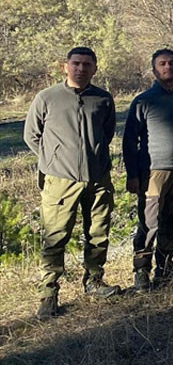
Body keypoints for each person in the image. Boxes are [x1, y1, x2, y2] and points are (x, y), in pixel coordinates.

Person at [25, 47, 122, 319]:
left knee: (98, 232)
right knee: (55, 236)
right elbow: (32, 136)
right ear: (65, 66)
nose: (80, 68)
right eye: (76, 63)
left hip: (98, 177)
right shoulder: (47, 98)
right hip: (59, 180)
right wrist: (54, 160)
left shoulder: (102, 99)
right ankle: (48, 292)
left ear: (95, 68)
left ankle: (94, 280)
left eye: (87, 64)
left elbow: (108, 132)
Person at [123, 48, 173, 290]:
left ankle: (165, 268)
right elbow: (129, 141)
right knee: (149, 223)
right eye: (163, 64)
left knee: (172, 221)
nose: (168, 67)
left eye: (172, 63)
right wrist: (133, 175)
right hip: (154, 172)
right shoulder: (143, 101)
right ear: (154, 70)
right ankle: (141, 272)